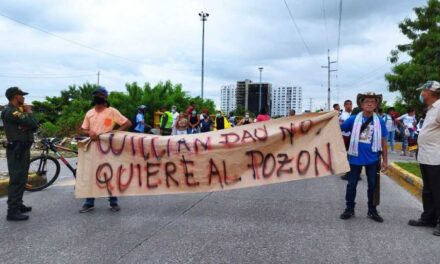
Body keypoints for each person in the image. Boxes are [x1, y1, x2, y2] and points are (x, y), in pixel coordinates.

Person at [79, 86, 132, 213]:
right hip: (92, 147)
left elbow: (127, 123)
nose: (97, 97)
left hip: (108, 148)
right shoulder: (89, 113)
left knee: (109, 173)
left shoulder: (112, 111)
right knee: (91, 174)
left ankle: (113, 202)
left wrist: (115, 133)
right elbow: (83, 128)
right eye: (96, 95)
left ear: (105, 98)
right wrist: (89, 132)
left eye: (100, 95)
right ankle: (89, 202)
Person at [340, 92, 388, 223]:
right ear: (361, 104)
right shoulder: (353, 119)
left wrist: (385, 161)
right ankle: (349, 208)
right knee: (351, 184)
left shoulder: (380, 121)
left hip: (373, 158)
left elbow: (384, 141)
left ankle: (372, 210)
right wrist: (331, 118)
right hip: (355, 157)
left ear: (376, 104)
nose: (370, 103)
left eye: (373, 101)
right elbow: (340, 128)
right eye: (367, 101)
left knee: (372, 185)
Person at [1, 87, 39, 221]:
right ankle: (12, 211)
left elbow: (33, 126)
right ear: (15, 97)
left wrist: (27, 114)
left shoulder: (17, 111)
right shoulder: (11, 112)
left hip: (22, 149)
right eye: (21, 95)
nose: (23, 98)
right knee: (17, 179)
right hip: (17, 150)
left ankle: (18, 204)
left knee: (22, 178)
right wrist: (29, 112)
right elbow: (34, 124)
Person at [408, 81, 440, 236]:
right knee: (428, 190)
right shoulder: (431, 109)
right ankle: (428, 218)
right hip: (426, 156)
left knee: (437, 190)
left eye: (423, 92)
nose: (421, 94)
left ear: (431, 92)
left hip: (436, 157)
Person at [340, 100, 353, 180]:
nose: (349, 106)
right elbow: (340, 126)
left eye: (350, 104)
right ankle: (347, 170)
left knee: (351, 153)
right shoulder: (342, 115)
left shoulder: (353, 114)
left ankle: (352, 171)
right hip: (345, 136)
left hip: (352, 136)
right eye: (347, 104)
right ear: (344, 106)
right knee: (345, 153)